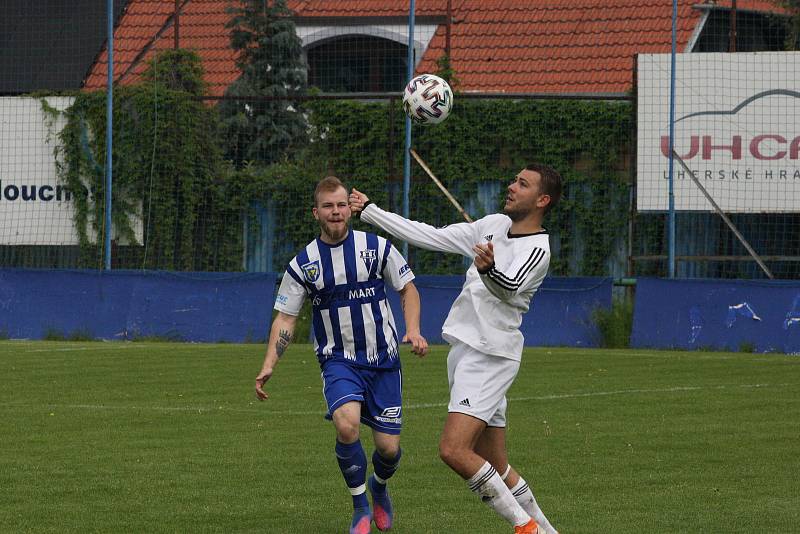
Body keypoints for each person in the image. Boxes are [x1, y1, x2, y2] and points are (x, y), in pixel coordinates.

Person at [349, 163, 562, 534]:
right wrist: (371, 211)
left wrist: (487, 268)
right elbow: (428, 235)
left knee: (454, 450)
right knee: (496, 462)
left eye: (523, 184)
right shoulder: (492, 224)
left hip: (490, 356)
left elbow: (509, 288)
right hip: (465, 350)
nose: (511, 186)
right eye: (513, 179)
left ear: (542, 200)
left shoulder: (538, 248)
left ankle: (524, 527)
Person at [256, 176, 428, 534]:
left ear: (349, 208)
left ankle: (379, 488)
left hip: (383, 361)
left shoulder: (376, 247)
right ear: (315, 212)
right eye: (327, 206)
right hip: (339, 361)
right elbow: (286, 318)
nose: (335, 212)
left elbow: (407, 288)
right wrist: (270, 363)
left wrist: (412, 329)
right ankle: (360, 506)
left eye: (340, 205)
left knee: (389, 450)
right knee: (347, 425)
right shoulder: (303, 263)